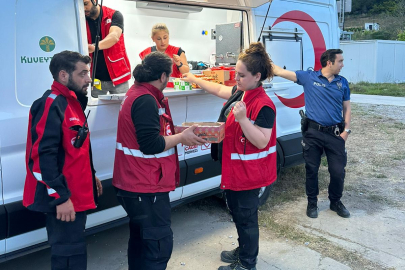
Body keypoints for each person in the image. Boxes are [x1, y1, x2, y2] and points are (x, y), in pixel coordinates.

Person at [182, 42, 277, 270]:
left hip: (249, 174)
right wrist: (195, 80)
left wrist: (243, 119)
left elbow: (262, 140)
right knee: (237, 214)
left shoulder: (264, 105)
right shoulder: (240, 93)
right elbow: (218, 90)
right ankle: (243, 249)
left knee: (246, 219)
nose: (236, 79)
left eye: (241, 76)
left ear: (257, 76)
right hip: (235, 170)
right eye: (236, 74)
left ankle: (247, 263)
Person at [113, 51, 206, 270]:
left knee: (141, 243)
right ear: (163, 76)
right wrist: (182, 138)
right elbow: (150, 144)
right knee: (157, 246)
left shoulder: (140, 93)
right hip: (144, 186)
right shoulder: (145, 100)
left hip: (137, 182)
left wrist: (177, 133)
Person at [23, 50, 103, 270]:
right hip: (65, 199)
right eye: (83, 73)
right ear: (63, 75)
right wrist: (61, 197)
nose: (89, 79)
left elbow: (74, 147)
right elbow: (40, 158)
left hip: (76, 194)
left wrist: (91, 173)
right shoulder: (51, 104)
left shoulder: (73, 102)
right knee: (68, 256)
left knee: (74, 251)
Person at [273, 49, 351, 219]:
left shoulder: (342, 82)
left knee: (338, 171)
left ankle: (335, 201)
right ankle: (312, 203)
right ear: (329, 62)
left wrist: (346, 131)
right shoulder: (309, 77)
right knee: (311, 169)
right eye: (340, 61)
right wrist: (262, 59)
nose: (343, 65)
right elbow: (279, 71)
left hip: (335, 134)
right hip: (313, 133)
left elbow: (347, 107)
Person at [84, 0, 131, 97]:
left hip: (118, 76)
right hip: (94, 79)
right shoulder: (80, 20)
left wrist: (93, 47)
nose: (84, 8)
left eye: (85, 4)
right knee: (94, 110)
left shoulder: (114, 15)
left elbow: (114, 36)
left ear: (95, 1)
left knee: (123, 108)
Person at [139, 23, 190, 87]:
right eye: (159, 39)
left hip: (173, 90)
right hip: (153, 90)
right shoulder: (147, 52)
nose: (163, 42)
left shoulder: (177, 51)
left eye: (165, 38)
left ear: (168, 36)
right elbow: (143, 75)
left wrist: (179, 64)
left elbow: (186, 72)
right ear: (153, 39)